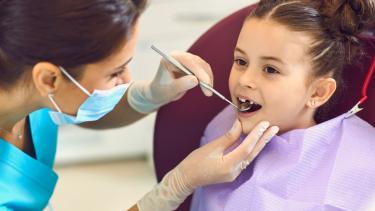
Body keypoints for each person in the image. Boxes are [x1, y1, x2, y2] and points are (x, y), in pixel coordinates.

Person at [0, 0, 281, 210]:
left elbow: (70, 112)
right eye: (115, 72)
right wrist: (176, 186)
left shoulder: (22, 79)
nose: (128, 80)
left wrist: (148, 95)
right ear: (49, 79)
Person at [191, 0, 375, 210]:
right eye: (241, 61)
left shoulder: (361, 166)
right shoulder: (221, 128)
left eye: (270, 70)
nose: (244, 81)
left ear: (318, 92)